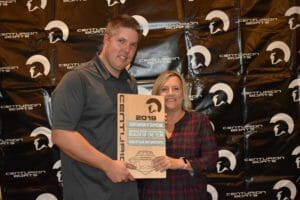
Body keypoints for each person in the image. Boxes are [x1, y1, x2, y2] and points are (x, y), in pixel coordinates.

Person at [50, 14, 142, 200]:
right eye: (121, 41)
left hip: (125, 191)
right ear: (106, 39)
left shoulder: (130, 83)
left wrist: (151, 127)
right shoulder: (78, 79)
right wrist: (109, 166)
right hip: (88, 192)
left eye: (133, 45)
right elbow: (61, 135)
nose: (127, 49)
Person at [139, 70, 218, 200]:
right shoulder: (145, 122)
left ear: (183, 93)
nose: (170, 94)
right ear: (157, 94)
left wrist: (181, 163)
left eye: (175, 88)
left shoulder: (199, 121)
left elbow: (211, 160)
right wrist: (153, 126)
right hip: (153, 194)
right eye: (164, 89)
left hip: (189, 194)